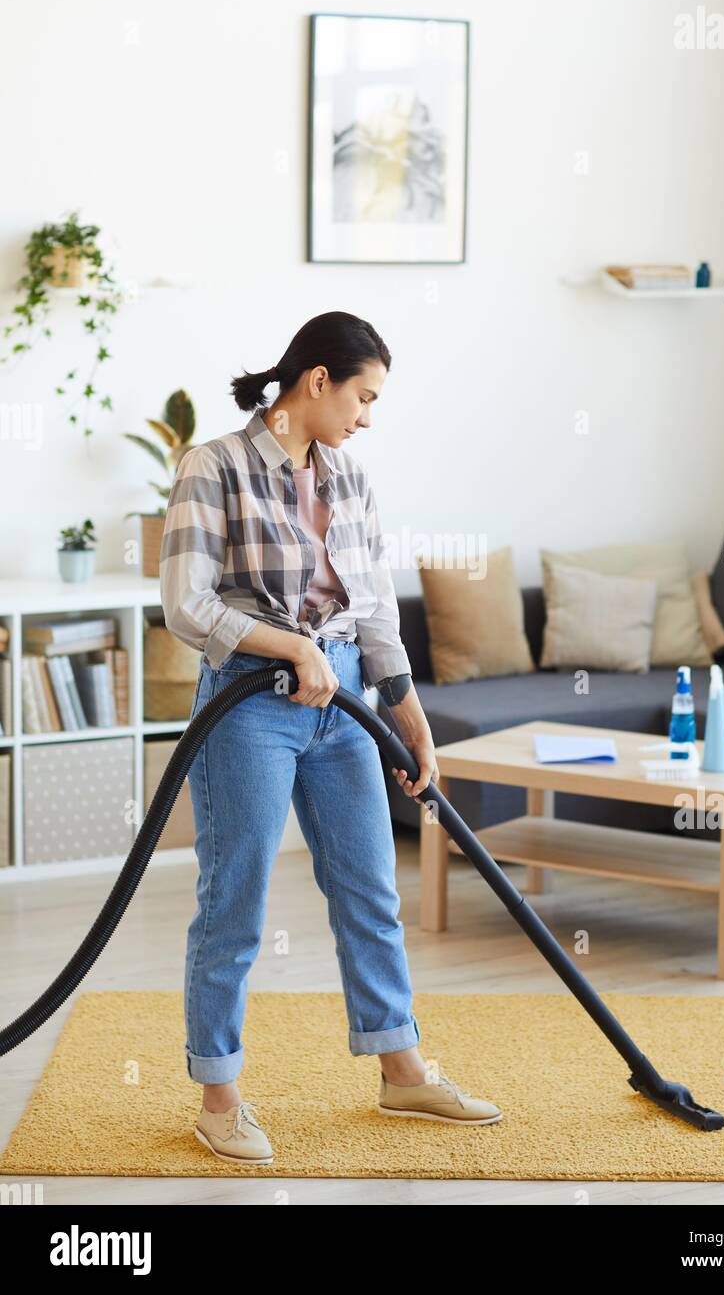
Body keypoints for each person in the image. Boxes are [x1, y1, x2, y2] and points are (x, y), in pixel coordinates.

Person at [160, 310, 502, 1164]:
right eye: (364, 395)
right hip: (249, 706)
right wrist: (291, 645)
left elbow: (375, 606)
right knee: (233, 898)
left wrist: (409, 711)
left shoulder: (348, 477)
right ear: (317, 381)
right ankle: (219, 1096)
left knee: (368, 888)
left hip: (347, 702)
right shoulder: (214, 467)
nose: (367, 416)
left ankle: (402, 1069)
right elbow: (185, 604)